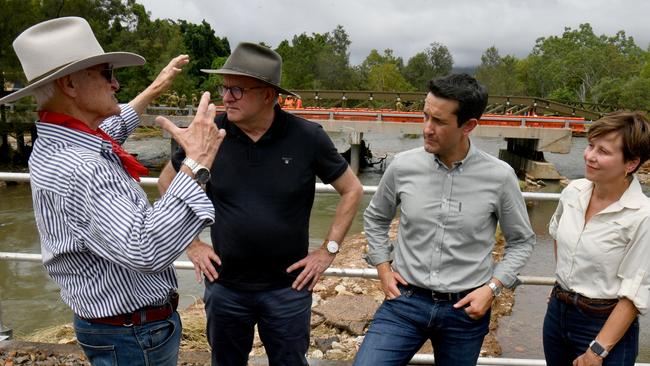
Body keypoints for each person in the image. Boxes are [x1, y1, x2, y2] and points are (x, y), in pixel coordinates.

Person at [0, 17, 226, 365]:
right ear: (70, 85)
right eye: (106, 73)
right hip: (133, 335)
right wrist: (196, 164)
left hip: (115, 328)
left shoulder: (61, 142)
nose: (117, 83)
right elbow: (147, 248)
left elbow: (110, 129)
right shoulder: (82, 167)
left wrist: (155, 88)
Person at [158, 42, 364, 365]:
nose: (225, 98)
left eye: (237, 90)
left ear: (268, 95)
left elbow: (352, 189)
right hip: (225, 288)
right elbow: (166, 182)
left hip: (288, 290)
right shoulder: (211, 136)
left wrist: (327, 251)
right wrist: (191, 244)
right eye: (224, 88)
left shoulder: (306, 137)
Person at [353, 74, 536, 366]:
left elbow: (522, 241)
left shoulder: (500, 177)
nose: (427, 129)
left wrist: (492, 288)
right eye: (425, 116)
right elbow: (375, 218)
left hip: (465, 311)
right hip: (405, 302)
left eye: (439, 121)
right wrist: (383, 267)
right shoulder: (403, 166)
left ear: (469, 126)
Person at [543, 111, 650, 366]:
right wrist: (565, 281)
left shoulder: (642, 216)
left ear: (631, 163)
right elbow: (558, 234)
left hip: (603, 324)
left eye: (603, 151)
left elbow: (634, 294)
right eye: (591, 145)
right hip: (558, 313)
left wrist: (597, 351)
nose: (590, 156)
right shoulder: (573, 192)